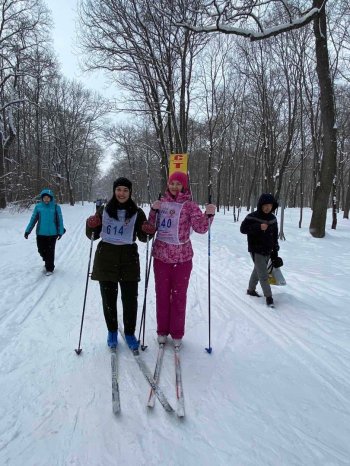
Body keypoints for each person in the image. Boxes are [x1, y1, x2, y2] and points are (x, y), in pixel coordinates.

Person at [141, 171, 216, 348]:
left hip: (182, 259)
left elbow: (200, 228)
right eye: (172, 183)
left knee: (179, 296)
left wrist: (209, 215)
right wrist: (153, 210)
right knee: (162, 295)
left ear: (184, 186)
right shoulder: (162, 203)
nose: (174, 186)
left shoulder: (190, 205)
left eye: (178, 184)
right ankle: (162, 331)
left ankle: (176, 332)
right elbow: (152, 226)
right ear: (168, 185)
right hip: (161, 256)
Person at [86, 177, 148, 350]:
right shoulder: (104, 210)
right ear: (114, 191)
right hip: (106, 258)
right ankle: (112, 331)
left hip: (129, 259)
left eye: (125, 190)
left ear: (130, 193)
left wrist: (148, 229)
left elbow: (144, 238)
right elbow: (93, 234)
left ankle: (129, 333)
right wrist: (91, 225)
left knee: (130, 300)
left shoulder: (137, 212)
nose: (122, 193)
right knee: (108, 299)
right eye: (119, 189)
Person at [240, 193, 280, 307]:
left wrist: (275, 251)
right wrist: (258, 227)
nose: (267, 207)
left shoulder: (273, 219)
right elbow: (243, 229)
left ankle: (251, 290)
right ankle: (269, 298)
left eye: (270, 205)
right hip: (256, 249)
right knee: (263, 274)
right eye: (265, 205)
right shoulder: (252, 216)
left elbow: (275, 236)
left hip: (268, 249)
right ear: (260, 205)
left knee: (257, 270)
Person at [24, 188, 65, 276]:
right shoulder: (38, 207)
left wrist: (60, 232)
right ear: (42, 198)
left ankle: (50, 268)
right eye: (44, 198)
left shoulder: (56, 207)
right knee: (41, 250)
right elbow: (33, 219)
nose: (46, 199)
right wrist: (28, 231)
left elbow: (60, 220)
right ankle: (47, 260)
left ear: (51, 198)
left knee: (50, 251)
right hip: (40, 233)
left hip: (52, 234)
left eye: (48, 197)